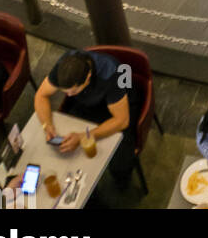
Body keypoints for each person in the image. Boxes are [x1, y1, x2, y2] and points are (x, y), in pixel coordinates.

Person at [34, 48, 139, 180]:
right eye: (65, 92)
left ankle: (122, 182)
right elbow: (41, 96)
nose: (68, 95)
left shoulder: (111, 74)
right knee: (69, 154)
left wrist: (84, 137)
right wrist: (47, 125)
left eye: (73, 91)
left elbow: (122, 121)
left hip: (119, 108)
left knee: (119, 164)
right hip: (88, 104)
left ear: (88, 77)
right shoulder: (64, 66)